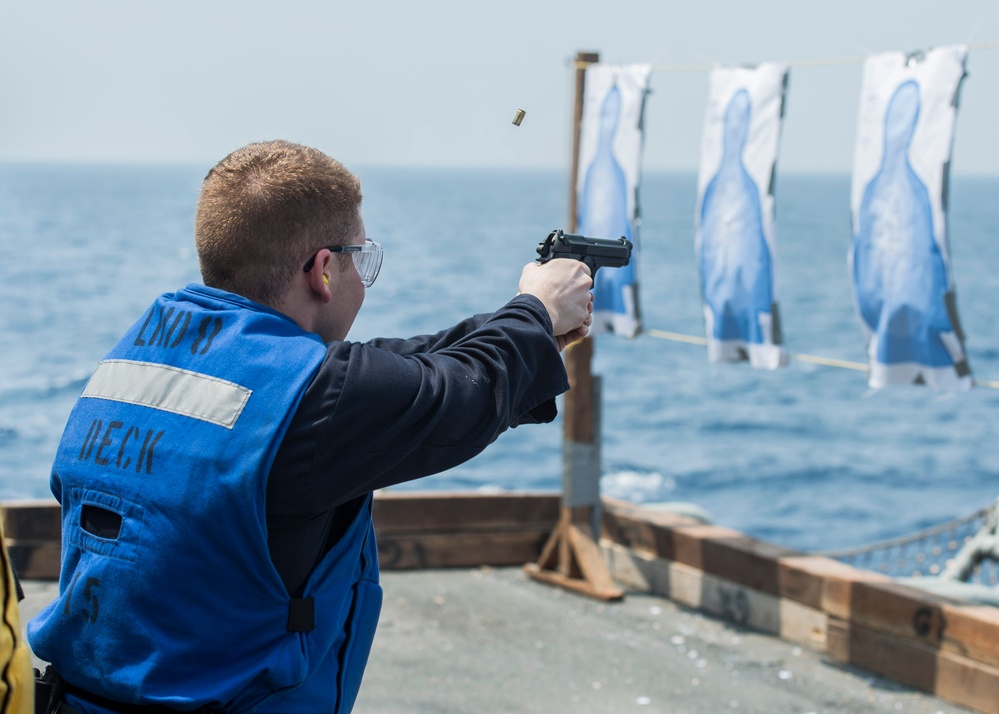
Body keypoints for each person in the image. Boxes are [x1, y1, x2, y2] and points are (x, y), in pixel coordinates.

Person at [27, 140, 593, 714]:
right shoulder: (317, 399)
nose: (363, 278)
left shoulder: (145, 352)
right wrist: (537, 309)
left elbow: (389, 371)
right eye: (360, 259)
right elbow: (458, 393)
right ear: (324, 269)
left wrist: (523, 326)